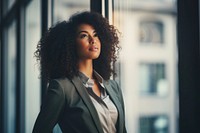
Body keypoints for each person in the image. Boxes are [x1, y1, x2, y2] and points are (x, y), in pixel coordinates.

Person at [33, 11, 126, 133]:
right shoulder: (62, 88)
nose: (93, 40)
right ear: (70, 44)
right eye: (84, 35)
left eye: (96, 34)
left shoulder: (113, 87)